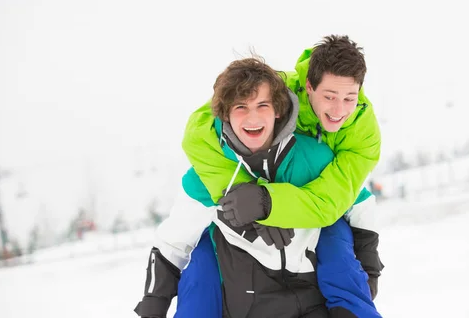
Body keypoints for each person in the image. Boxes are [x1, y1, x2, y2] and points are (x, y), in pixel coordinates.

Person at [134, 56, 382, 317]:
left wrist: (370, 268)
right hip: (244, 304)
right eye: (240, 106)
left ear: (277, 109)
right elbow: (173, 242)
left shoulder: (312, 158)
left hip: (310, 300)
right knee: (203, 255)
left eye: (262, 104)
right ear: (225, 113)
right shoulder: (207, 175)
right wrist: (154, 301)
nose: (252, 117)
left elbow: (359, 204)